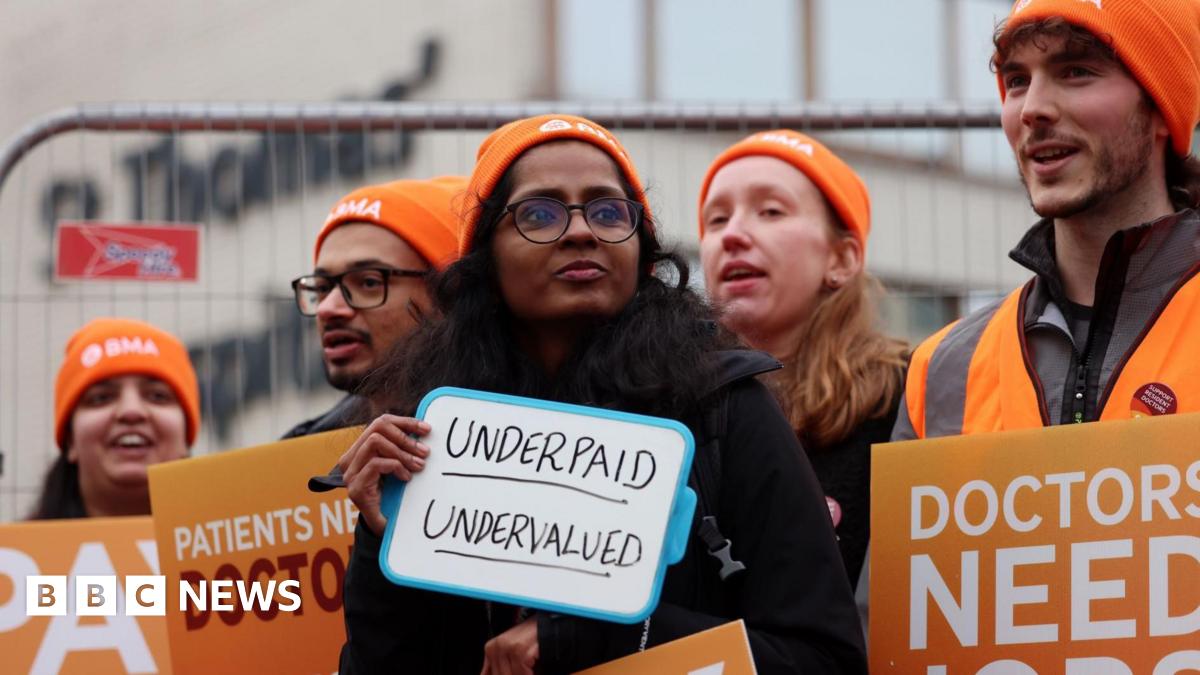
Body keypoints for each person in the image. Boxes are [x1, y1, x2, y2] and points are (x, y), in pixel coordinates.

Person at [334, 114, 867, 674]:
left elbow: (826, 659)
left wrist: (603, 638)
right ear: (486, 258)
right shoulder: (432, 438)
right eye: (539, 214)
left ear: (642, 252)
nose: (581, 231)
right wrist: (382, 545)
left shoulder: (725, 407)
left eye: (609, 212)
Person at [893, 0, 1200, 442]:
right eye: (1017, 81)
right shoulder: (941, 371)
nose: (1031, 108)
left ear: (1160, 108)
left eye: (1076, 71)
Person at [697, 130, 907, 590]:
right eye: (716, 220)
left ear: (842, 258)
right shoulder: (670, 403)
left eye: (771, 211)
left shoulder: (909, 396)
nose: (732, 235)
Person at [285, 176, 465, 447]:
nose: (328, 308)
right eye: (322, 287)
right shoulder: (298, 453)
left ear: (449, 294)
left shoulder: (516, 432)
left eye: (369, 282)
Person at [30, 317, 199, 519]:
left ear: (185, 436)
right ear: (70, 440)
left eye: (157, 396)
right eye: (101, 398)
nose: (131, 411)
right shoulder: (13, 541)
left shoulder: (231, 537)